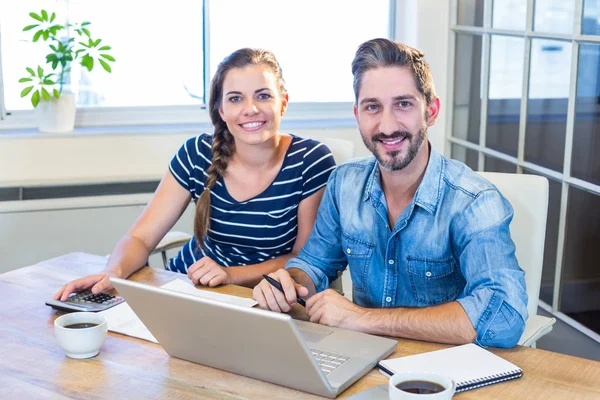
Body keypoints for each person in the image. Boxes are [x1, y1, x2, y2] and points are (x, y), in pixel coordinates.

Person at [253, 39, 528, 348]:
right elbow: (315, 263)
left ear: (431, 110)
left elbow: (503, 317)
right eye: (373, 107)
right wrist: (289, 282)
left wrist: (360, 318)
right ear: (357, 114)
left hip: (442, 373)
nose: (387, 125)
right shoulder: (344, 183)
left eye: (403, 104)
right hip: (362, 358)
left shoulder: (475, 202)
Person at [54, 48, 336, 301]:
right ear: (221, 110)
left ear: (283, 103)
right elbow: (140, 238)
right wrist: (112, 273)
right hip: (185, 287)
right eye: (235, 98)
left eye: (263, 96)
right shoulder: (197, 153)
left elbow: (304, 258)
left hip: (259, 298)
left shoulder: (310, 160)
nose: (250, 109)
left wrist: (230, 274)